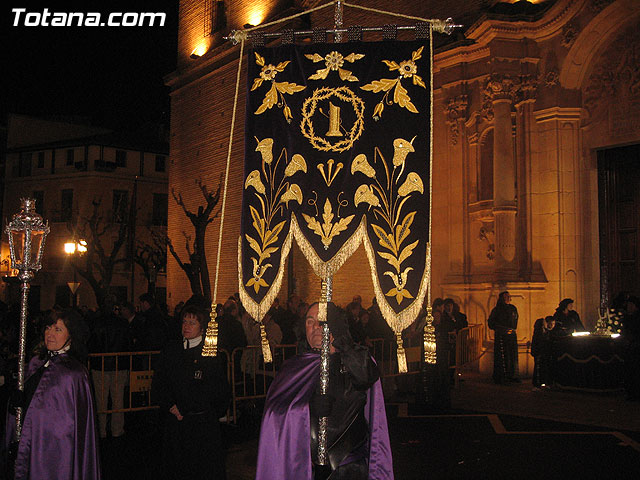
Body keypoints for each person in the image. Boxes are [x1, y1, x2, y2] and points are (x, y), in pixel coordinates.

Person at [256, 302, 393, 480]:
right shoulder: (294, 367)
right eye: (310, 321)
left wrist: (342, 341)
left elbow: (366, 374)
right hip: (306, 467)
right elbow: (275, 415)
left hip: (346, 467)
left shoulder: (354, 359)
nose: (316, 327)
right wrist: (307, 409)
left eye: (323, 321)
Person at [5, 309, 100, 479]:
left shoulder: (74, 374)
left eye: (58, 329)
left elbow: (66, 427)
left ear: (71, 335)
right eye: (48, 327)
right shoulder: (37, 363)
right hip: (30, 445)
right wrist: (16, 405)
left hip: (54, 453)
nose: (50, 334)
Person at [152, 304, 231, 479]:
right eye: (185, 322)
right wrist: (171, 405)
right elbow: (160, 381)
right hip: (176, 425)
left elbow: (214, 389)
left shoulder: (210, 353)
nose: (186, 326)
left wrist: (186, 407)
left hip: (200, 425)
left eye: (192, 323)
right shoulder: (171, 350)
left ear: (202, 328)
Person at [88, 302, 131, 439]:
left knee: (101, 399)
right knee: (118, 399)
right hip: (119, 364)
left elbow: (91, 343)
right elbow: (128, 343)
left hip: (100, 365)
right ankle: (117, 429)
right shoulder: (122, 323)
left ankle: (101, 430)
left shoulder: (95, 323)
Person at [488, 291, 520, 384]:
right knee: (502, 356)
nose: (508, 298)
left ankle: (512, 375)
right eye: (506, 297)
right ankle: (501, 376)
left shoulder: (513, 308)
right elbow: (491, 323)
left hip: (511, 336)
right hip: (501, 336)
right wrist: (501, 329)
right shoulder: (497, 310)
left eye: (509, 296)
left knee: (512, 356)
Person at [531, 316, 556, 388]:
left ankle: (543, 382)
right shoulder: (540, 333)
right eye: (551, 323)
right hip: (539, 352)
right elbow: (539, 343)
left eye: (553, 324)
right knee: (539, 368)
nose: (552, 326)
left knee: (544, 368)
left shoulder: (547, 332)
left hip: (543, 352)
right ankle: (537, 384)